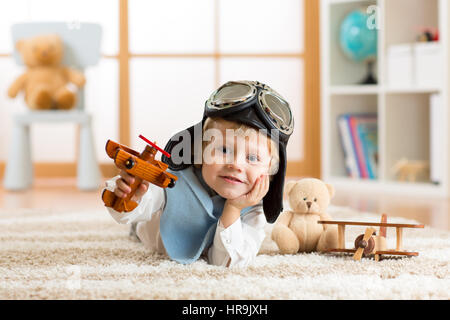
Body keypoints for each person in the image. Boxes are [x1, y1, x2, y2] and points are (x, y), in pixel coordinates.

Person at [104, 80, 294, 267]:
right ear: (199, 152)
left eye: (252, 158)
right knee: (140, 220)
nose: (235, 165)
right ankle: (135, 229)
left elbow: (228, 263)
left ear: (270, 172)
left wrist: (234, 209)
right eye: (224, 150)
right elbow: (140, 201)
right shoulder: (172, 181)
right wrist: (130, 195)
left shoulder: (253, 207)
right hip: (153, 229)